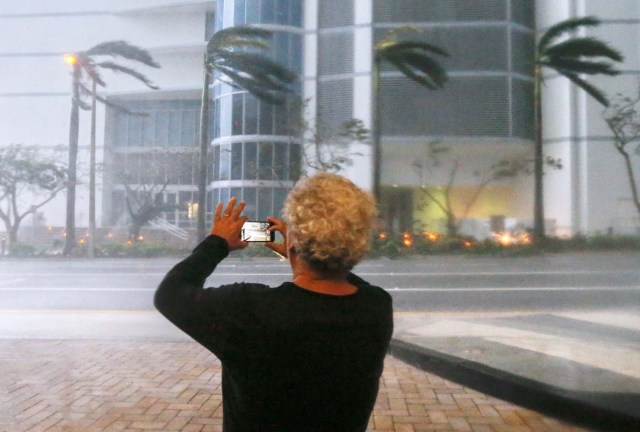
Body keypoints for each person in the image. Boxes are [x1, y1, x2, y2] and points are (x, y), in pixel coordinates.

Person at [155, 172, 393, 432]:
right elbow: (352, 283)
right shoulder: (376, 308)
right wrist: (302, 252)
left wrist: (217, 242)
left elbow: (169, 294)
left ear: (295, 240)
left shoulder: (249, 310)